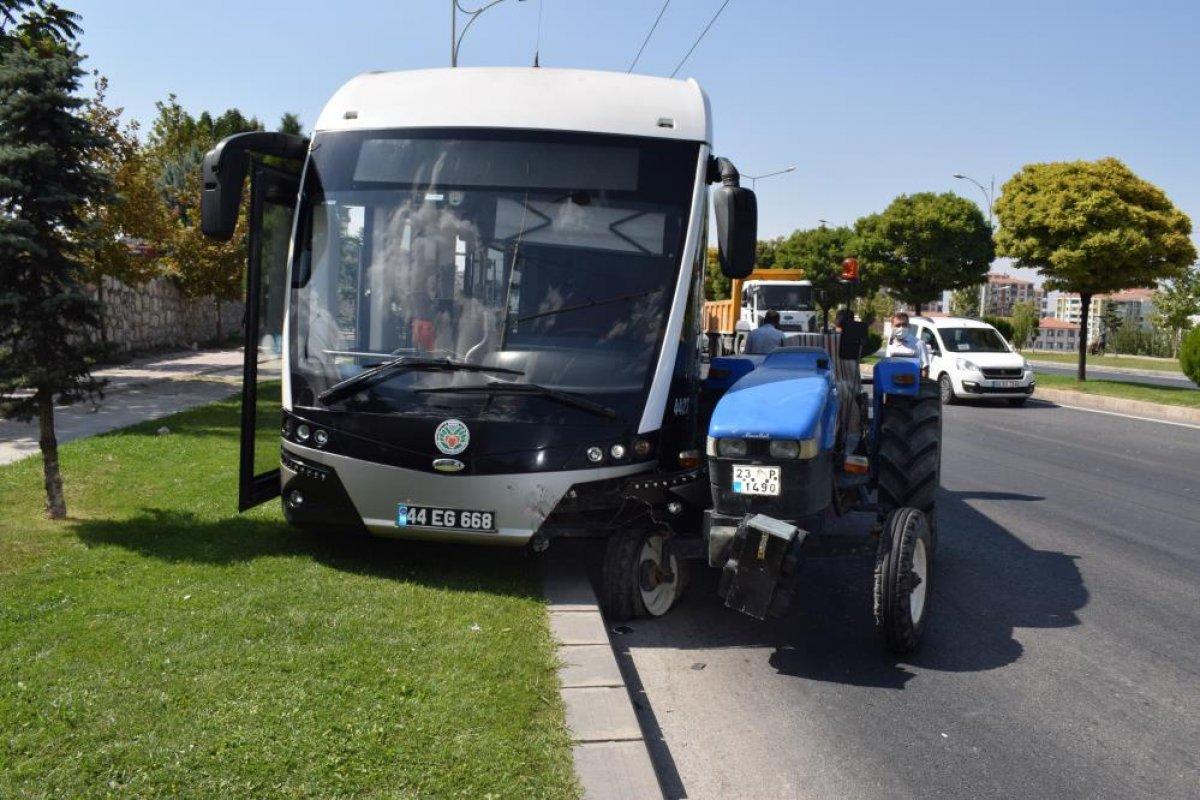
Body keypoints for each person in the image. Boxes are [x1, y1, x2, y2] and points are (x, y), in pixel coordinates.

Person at [885, 311, 930, 375]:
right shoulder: (891, 344)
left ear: (908, 325)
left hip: (912, 382)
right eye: (898, 325)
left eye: (904, 324)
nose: (901, 328)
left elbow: (925, 368)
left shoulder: (919, 344)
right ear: (892, 327)